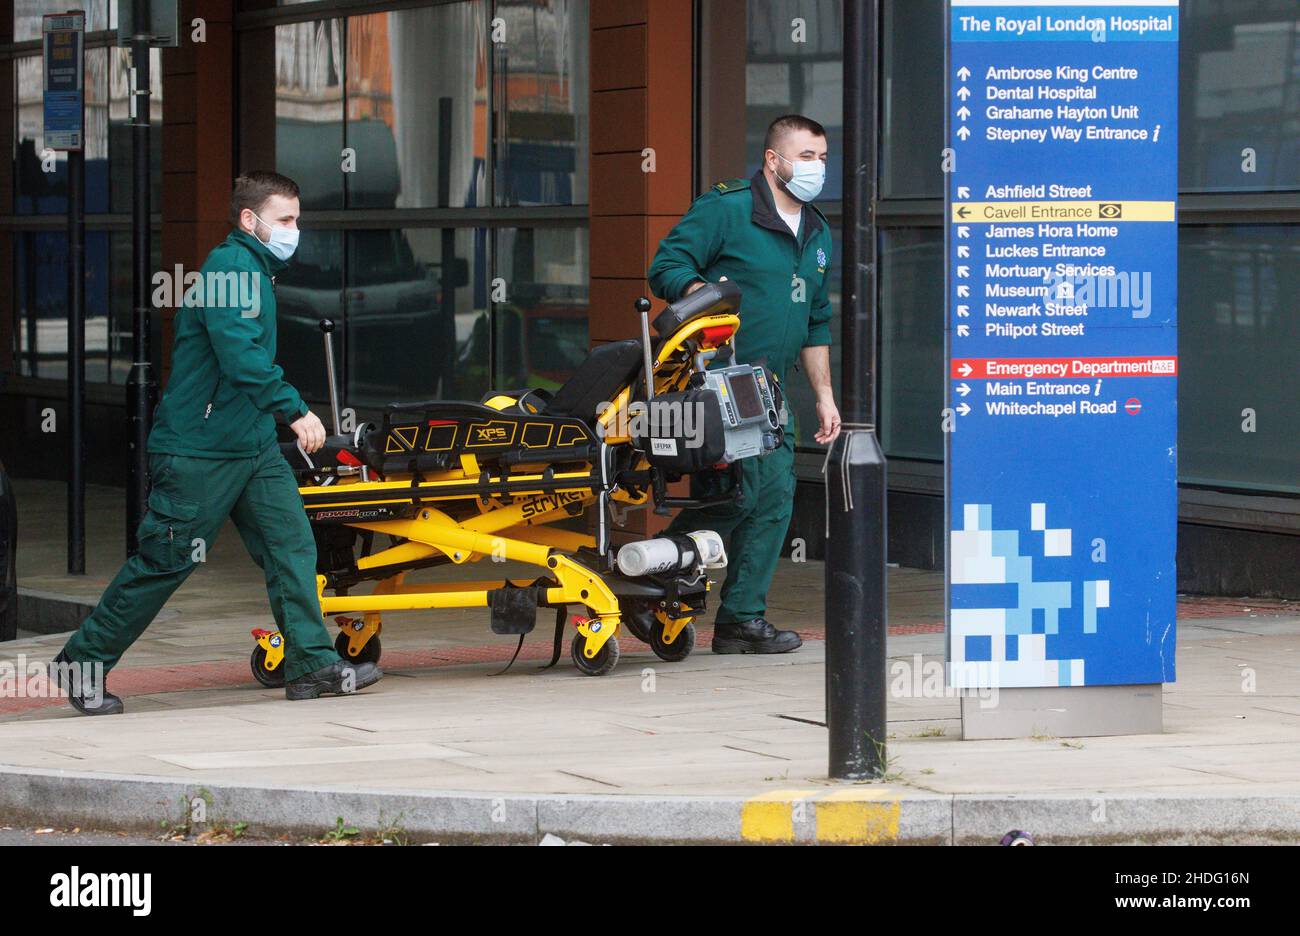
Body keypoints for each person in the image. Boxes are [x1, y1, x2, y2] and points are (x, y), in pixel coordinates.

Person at [52, 171, 381, 714]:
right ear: (250, 221)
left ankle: (311, 665)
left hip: (249, 446)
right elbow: (241, 357)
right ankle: (81, 663)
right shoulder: (231, 269)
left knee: (291, 546)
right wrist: (296, 411)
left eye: (297, 219)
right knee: (165, 562)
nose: (295, 230)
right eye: (285, 220)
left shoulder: (254, 269)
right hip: (200, 451)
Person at [648, 114, 842, 654]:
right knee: (742, 494)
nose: (817, 168)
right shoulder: (730, 208)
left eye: (823, 158)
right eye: (806, 157)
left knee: (776, 497)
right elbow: (666, 265)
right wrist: (704, 298)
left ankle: (740, 621)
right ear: (773, 160)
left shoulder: (818, 233)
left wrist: (825, 397)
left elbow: (816, 320)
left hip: (772, 390)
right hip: (718, 381)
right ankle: (649, 578)